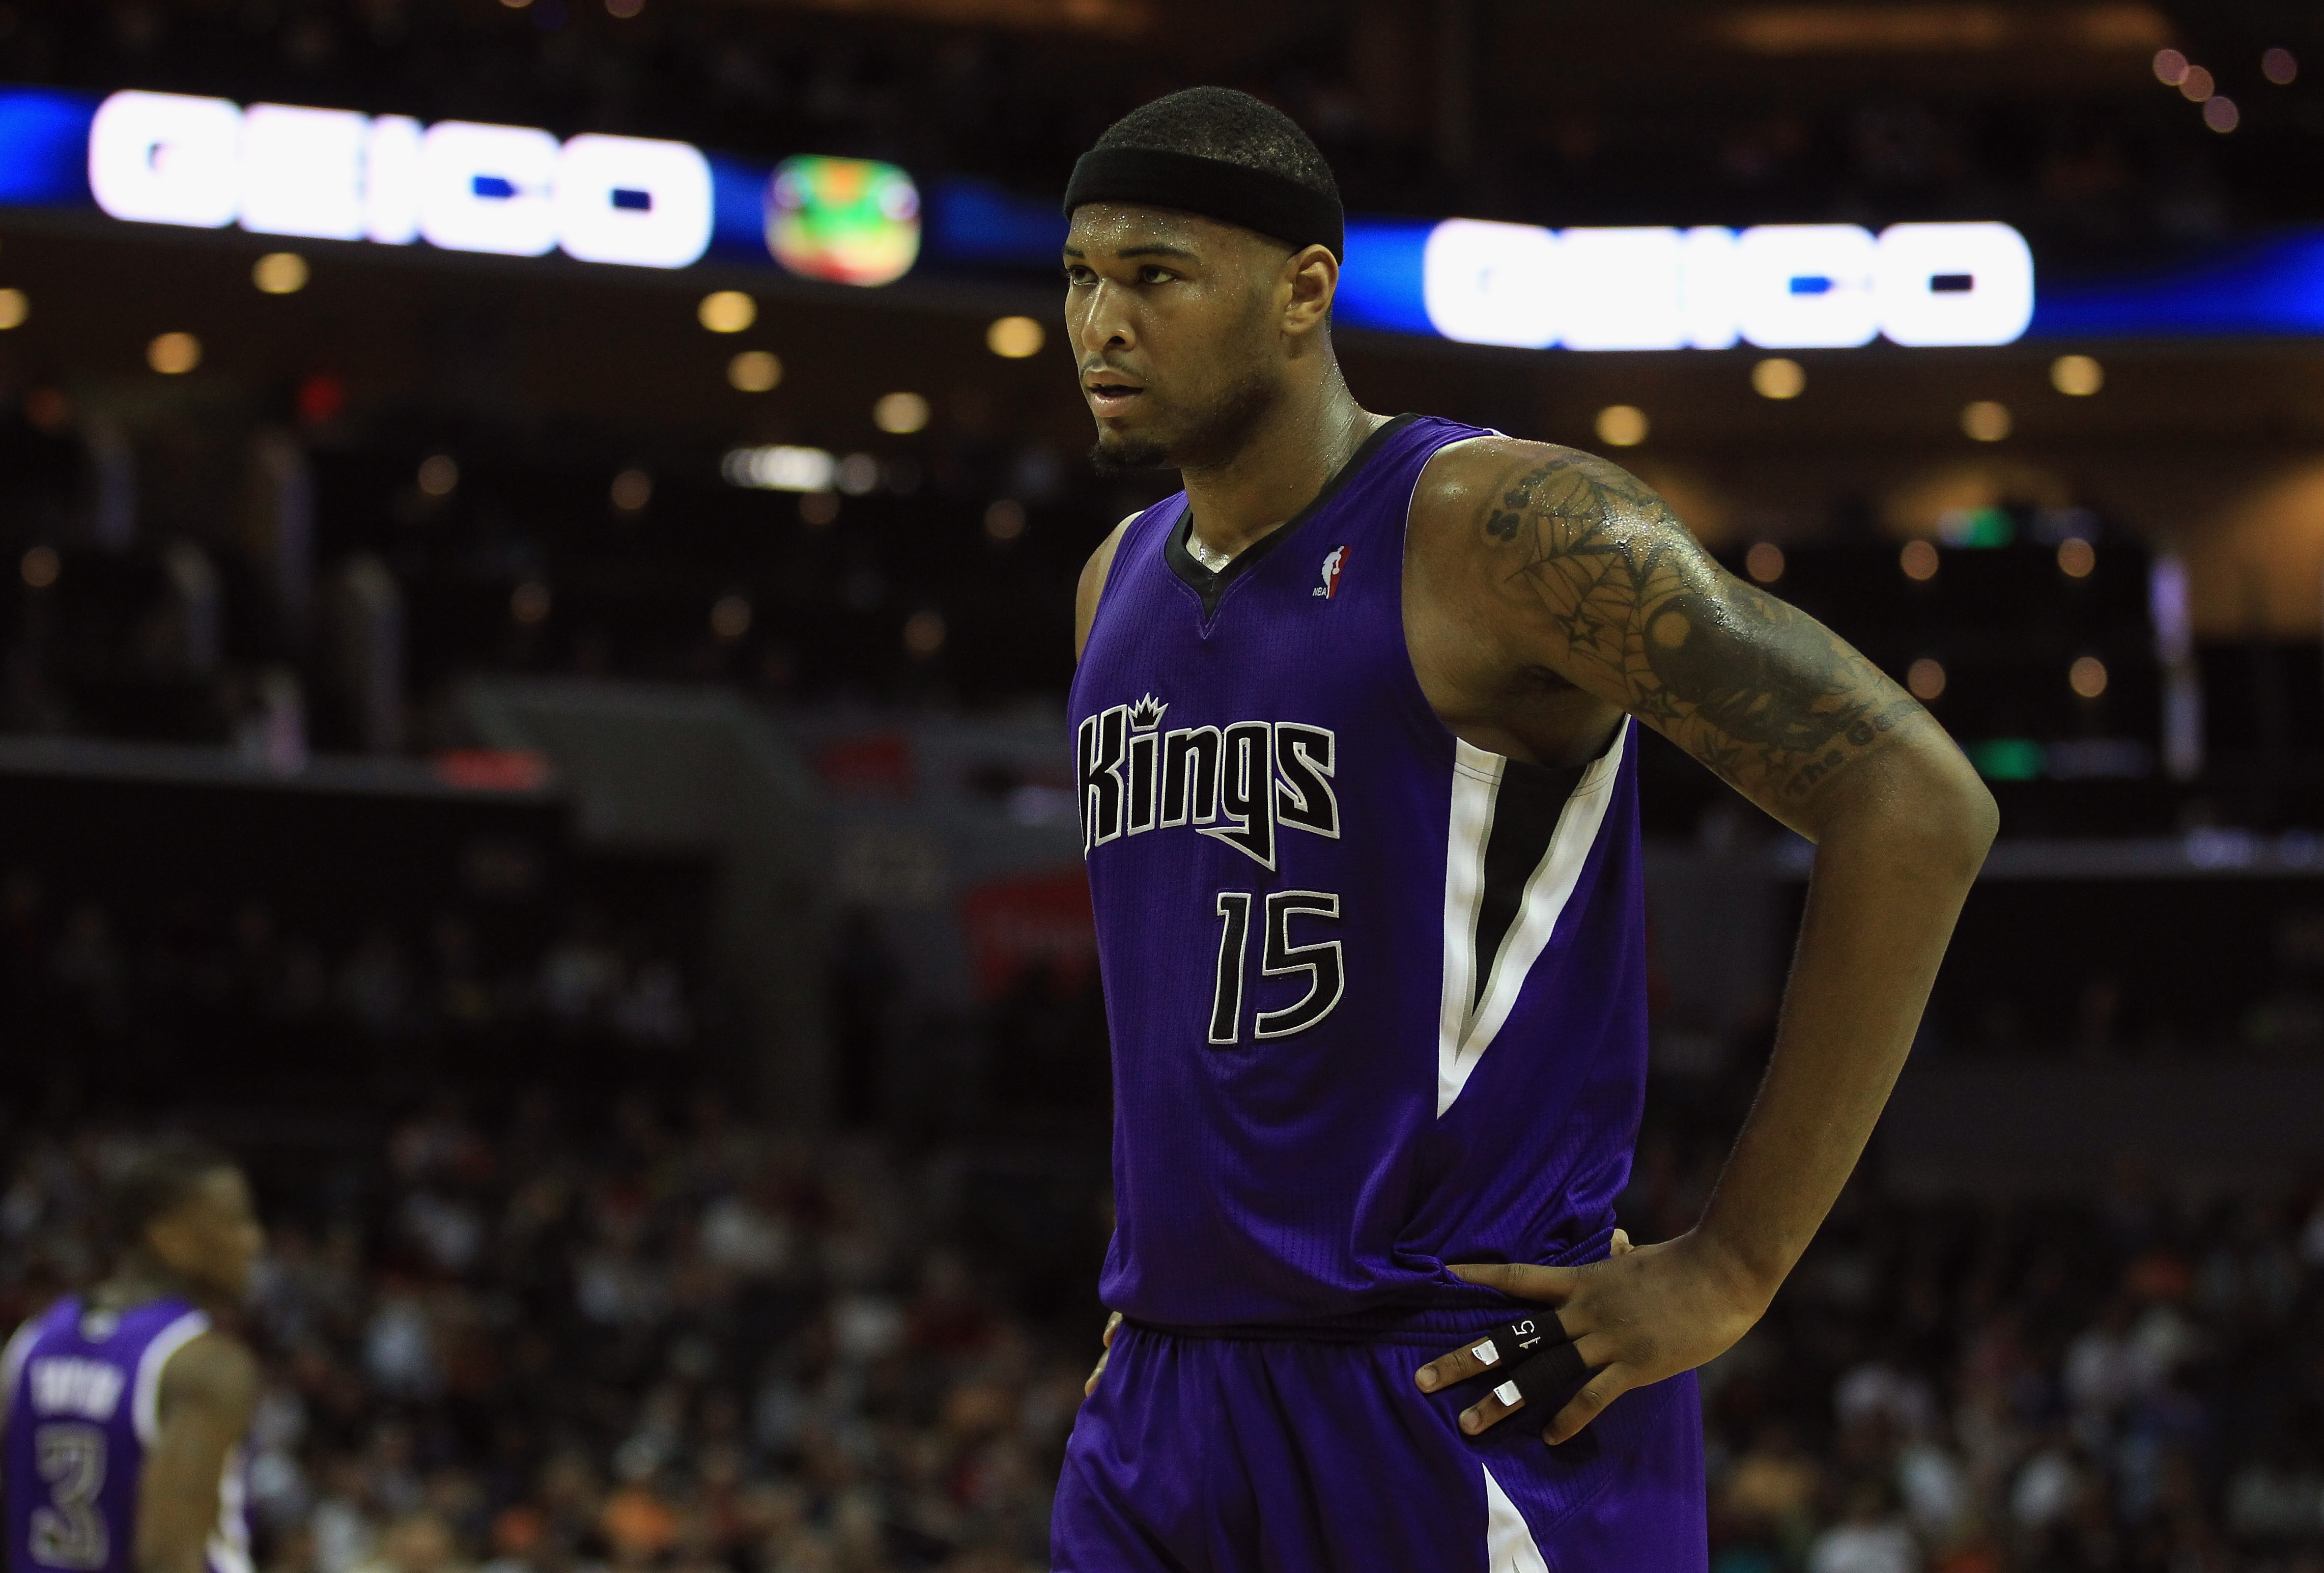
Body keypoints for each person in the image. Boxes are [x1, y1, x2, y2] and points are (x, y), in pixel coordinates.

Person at [1056, 87, 1996, 1570]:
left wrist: (1734, 1265)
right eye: (1080, 277)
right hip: (1167, 1396)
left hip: (1455, 1390)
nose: (1100, 322)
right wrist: (1166, 1295)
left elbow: (1913, 799)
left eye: (1153, 276)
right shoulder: (1113, 584)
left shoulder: (1500, 530)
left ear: (1303, 291)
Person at [3, 1140, 265, 1573]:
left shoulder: (32, 1342)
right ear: (170, 1237)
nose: (254, 1242)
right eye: (234, 1223)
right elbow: (167, 1557)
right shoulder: (207, 1365)